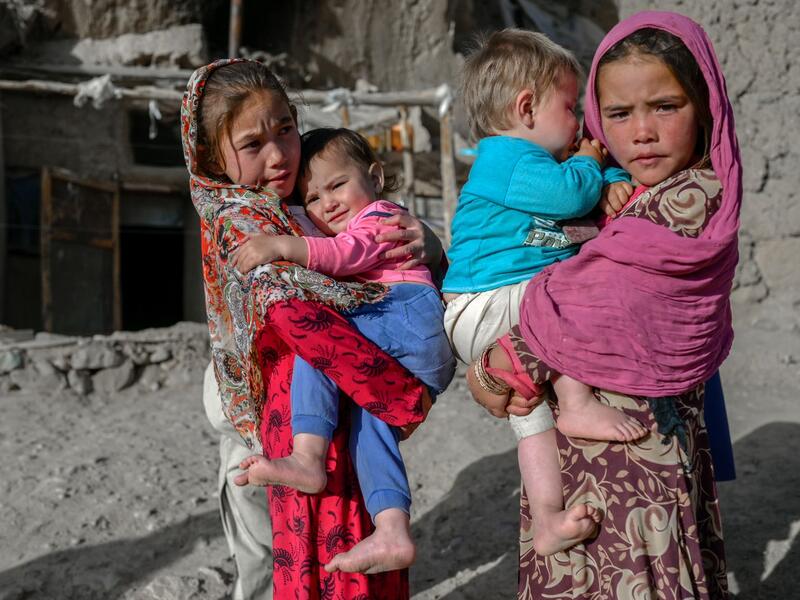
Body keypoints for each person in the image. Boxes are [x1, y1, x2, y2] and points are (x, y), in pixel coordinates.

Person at [469, 11, 738, 598]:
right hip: (584, 454)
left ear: (705, 103)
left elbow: (598, 296)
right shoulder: (628, 190)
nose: (641, 130)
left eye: (666, 106)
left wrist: (506, 359)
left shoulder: (692, 199)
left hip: (636, 456)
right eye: (618, 114)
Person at [183, 58, 441, 599]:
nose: (279, 155)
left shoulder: (300, 200)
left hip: (325, 410)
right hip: (275, 422)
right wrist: (396, 389)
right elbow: (295, 310)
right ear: (212, 157)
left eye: (286, 130)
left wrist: (426, 241)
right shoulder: (244, 221)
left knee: (349, 546)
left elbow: (371, 246)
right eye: (253, 145)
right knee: (277, 561)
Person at [442, 28, 646, 555]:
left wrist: (611, 176)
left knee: (528, 420)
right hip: (492, 301)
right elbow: (570, 192)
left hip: (491, 311)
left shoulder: (531, 161)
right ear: (527, 107)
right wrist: (593, 164)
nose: (580, 124)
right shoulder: (506, 157)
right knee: (572, 290)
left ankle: (549, 518)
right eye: (570, 106)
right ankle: (577, 402)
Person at [230, 127, 456, 574]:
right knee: (370, 435)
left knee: (322, 337)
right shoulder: (344, 215)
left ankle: (307, 456)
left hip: (407, 316)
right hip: (408, 343)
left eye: (337, 185)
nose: (327, 203)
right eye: (314, 198)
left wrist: (279, 245)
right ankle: (393, 529)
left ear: (375, 176)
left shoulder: (382, 216)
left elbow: (344, 254)